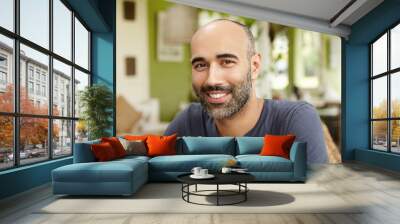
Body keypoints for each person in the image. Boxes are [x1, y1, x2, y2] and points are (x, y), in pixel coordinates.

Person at [164, 19, 327, 163]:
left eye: (227, 62)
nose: (211, 80)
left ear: (254, 66)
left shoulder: (294, 119)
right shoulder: (189, 121)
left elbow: (316, 195)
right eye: (200, 65)